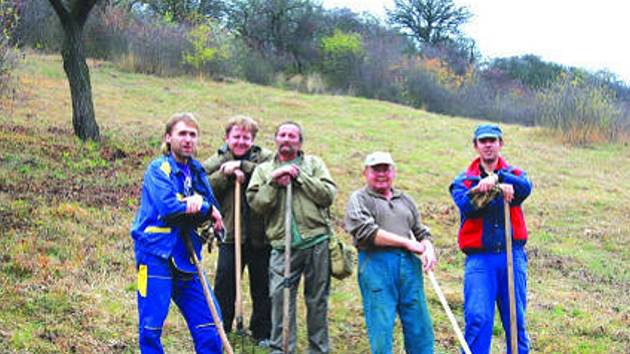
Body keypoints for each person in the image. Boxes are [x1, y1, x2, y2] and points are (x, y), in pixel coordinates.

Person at [130, 112, 225, 354]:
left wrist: (205, 208)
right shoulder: (158, 169)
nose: (188, 139)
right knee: (151, 330)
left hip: (187, 259)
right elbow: (168, 207)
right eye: (182, 133)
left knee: (211, 328)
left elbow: (213, 210)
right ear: (168, 137)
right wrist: (200, 206)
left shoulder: (197, 172)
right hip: (155, 256)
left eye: (193, 134)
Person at [246, 121, 337, 354]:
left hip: (316, 241)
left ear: (300, 142)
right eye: (282, 135)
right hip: (281, 244)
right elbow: (258, 204)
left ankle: (318, 349)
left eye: (292, 136)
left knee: (317, 301)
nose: (287, 139)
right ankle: (282, 348)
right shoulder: (264, 170)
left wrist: (299, 178)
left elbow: (328, 195)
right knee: (280, 298)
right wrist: (275, 183)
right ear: (276, 140)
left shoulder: (314, 164)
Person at [449, 124, 532, 353]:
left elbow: (525, 188)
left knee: (516, 320)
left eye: (492, 140)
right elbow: (467, 205)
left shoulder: (514, 175)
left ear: (500, 144)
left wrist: (499, 178)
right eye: (483, 141)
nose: (488, 145)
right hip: (480, 260)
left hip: (512, 256)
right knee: (478, 319)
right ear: (476, 146)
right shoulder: (464, 180)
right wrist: (485, 187)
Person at [344, 151, 437, 354]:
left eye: (385, 169)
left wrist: (428, 246)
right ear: (365, 173)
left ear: (393, 172)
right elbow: (365, 231)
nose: (381, 174)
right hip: (376, 265)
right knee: (381, 327)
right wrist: (407, 243)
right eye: (375, 169)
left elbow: (420, 231)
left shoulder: (405, 200)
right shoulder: (359, 199)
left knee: (419, 327)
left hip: (409, 268)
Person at [202, 115, 273, 345]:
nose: (241, 141)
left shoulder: (264, 157)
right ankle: (223, 327)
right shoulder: (218, 159)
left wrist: (244, 167)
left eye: (247, 137)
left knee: (262, 285)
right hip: (230, 234)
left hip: (260, 235)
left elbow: (272, 172)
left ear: (253, 139)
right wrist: (226, 175)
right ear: (227, 137)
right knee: (225, 283)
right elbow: (202, 183)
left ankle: (262, 332)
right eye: (237, 137)